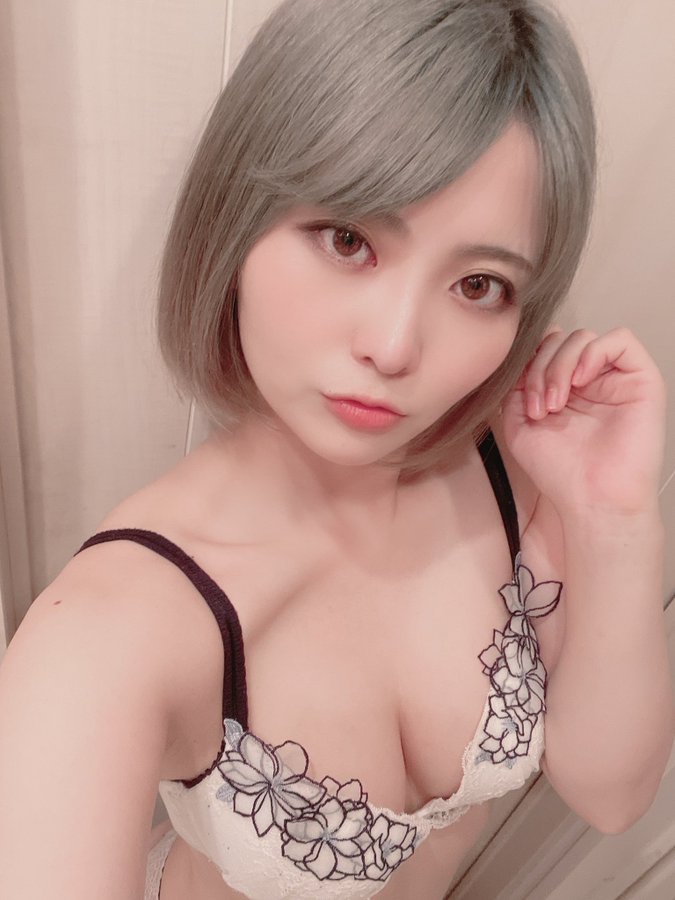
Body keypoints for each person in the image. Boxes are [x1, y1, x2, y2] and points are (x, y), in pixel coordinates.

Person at [0, 0, 672, 898]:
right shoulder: (111, 635)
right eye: (348, 239)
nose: (394, 348)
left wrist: (614, 522)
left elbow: (611, 796)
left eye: (477, 284)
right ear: (235, 218)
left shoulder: (515, 465)